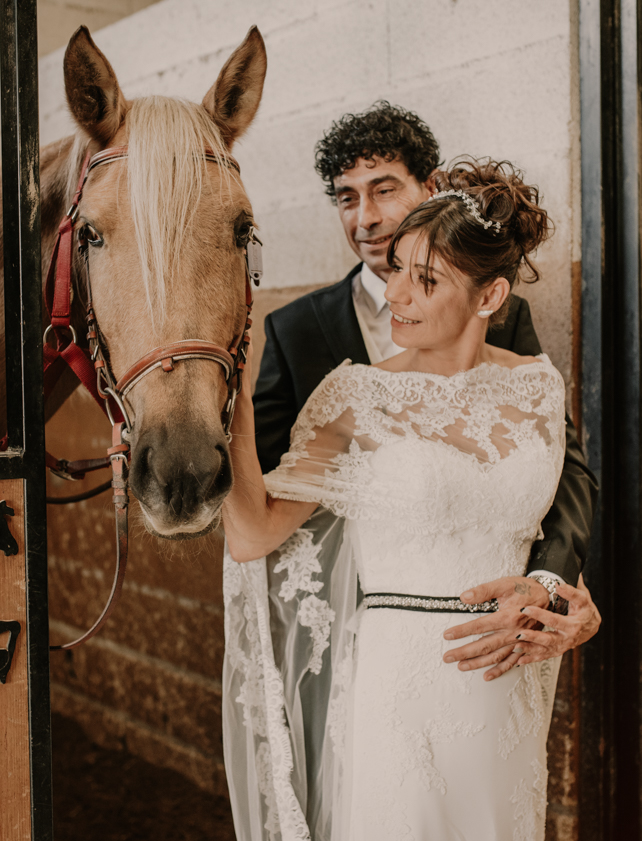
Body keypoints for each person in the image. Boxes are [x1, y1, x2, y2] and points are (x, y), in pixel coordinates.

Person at [222, 158, 591, 840]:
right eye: (395, 268)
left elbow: (560, 512)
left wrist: (564, 596)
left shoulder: (539, 385)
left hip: (508, 695)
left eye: (425, 279)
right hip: (401, 694)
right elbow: (254, 535)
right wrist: (233, 414)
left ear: (490, 298)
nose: (397, 293)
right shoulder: (353, 398)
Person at [252, 103, 599, 681]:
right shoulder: (292, 330)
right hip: (348, 642)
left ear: (429, 188)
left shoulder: (503, 316)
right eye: (346, 197)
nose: (365, 217)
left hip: (493, 647)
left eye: (383, 190)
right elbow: (268, 486)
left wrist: (547, 584)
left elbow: (563, 474)